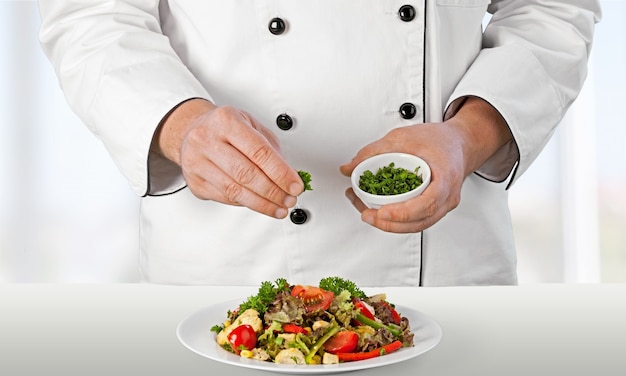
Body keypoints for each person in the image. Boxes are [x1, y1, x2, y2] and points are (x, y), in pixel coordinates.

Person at [38, 1, 601, 286]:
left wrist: (469, 136)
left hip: (445, 261)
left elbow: (549, 11)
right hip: (233, 261)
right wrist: (181, 126)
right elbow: (93, 17)